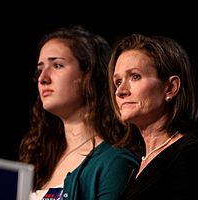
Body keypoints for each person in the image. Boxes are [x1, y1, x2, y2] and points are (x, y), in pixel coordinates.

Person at [18, 25, 142, 200]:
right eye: (40, 69)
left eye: (57, 65)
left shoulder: (114, 162)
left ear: (88, 75)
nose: (43, 78)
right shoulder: (38, 160)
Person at [108, 34, 198, 200]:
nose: (120, 91)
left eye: (135, 76)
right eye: (117, 82)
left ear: (170, 88)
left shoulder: (190, 155)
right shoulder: (138, 161)